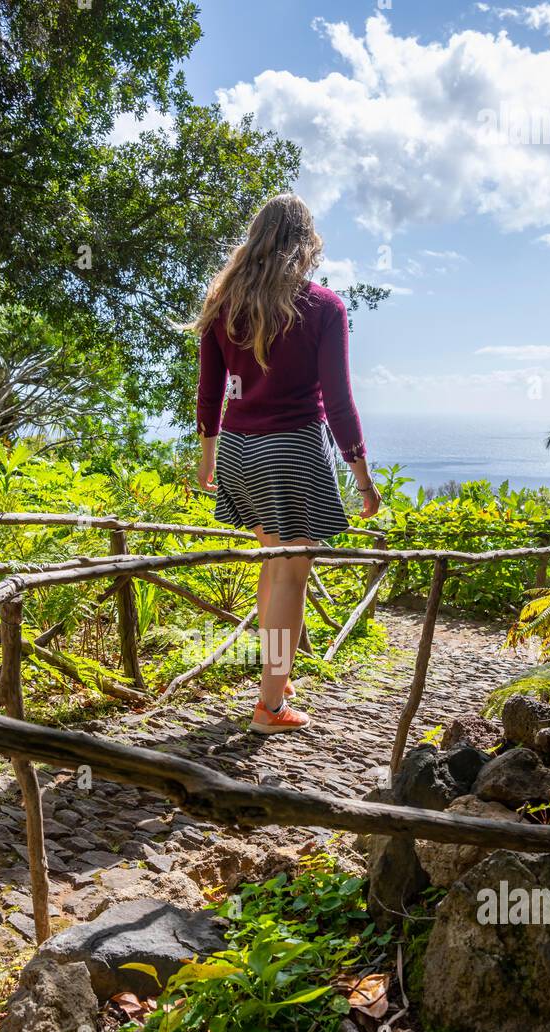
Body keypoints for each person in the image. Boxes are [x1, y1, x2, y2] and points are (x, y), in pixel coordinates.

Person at [190, 192, 380, 733]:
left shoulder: (224, 305)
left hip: (239, 449)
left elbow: (209, 393)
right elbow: (339, 402)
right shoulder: (322, 307)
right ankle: (270, 707)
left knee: (273, 561)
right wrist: (363, 479)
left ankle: (277, 676)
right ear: (306, 244)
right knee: (293, 574)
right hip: (292, 449)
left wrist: (208, 459)